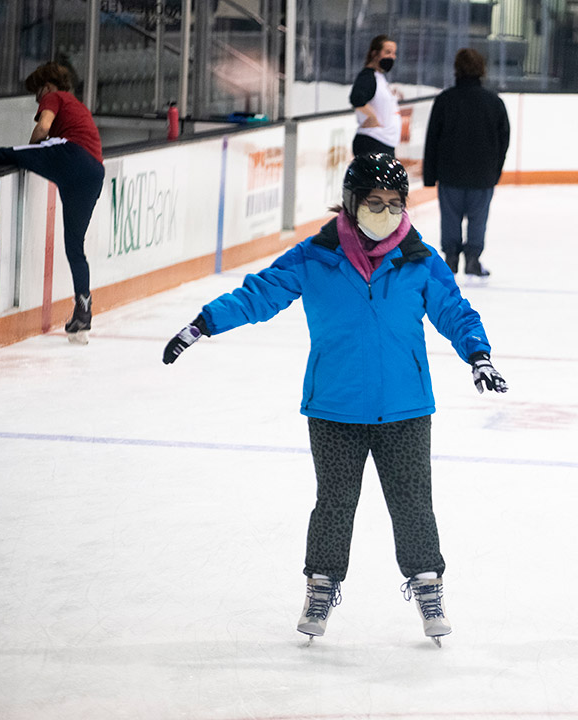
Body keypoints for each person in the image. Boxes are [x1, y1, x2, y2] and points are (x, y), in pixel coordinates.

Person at [161, 153, 509, 646]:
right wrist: (203, 323)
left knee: (412, 505)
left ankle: (428, 588)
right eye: (374, 202)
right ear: (350, 203)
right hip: (334, 409)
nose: (386, 212)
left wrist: (479, 355)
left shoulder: (418, 259)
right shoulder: (315, 257)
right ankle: (321, 588)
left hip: (406, 409)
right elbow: (260, 294)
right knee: (335, 504)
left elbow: (455, 311)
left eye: (394, 204)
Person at [0, 61, 104, 343]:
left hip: (72, 156)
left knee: (9, 154)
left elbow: (43, 128)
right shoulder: (77, 105)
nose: (38, 101)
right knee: (75, 247)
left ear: (47, 86)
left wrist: (29, 152)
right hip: (93, 172)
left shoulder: (56, 96)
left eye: (37, 94)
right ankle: (82, 312)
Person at [423, 48, 510, 279]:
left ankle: (450, 259)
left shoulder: (445, 100)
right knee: (478, 218)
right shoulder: (494, 102)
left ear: (456, 69)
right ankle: (473, 259)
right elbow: (504, 141)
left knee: (450, 216)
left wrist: (430, 175)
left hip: (450, 173)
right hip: (482, 176)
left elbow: (432, 139)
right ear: (482, 70)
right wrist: (495, 171)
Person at [350, 35, 401, 158]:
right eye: (387, 52)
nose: (392, 57)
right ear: (375, 53)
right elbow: (357, 99)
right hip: (372, 142)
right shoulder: (368, 77)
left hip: (383, 143)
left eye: (394, 53)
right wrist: (372, 117)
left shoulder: (379, 77)